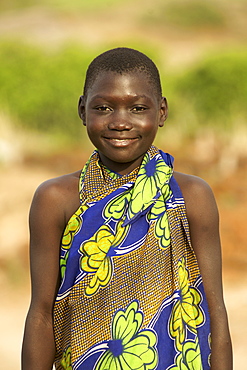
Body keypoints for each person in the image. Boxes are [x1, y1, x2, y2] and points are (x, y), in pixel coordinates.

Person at [22, 47, 232, 370]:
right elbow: (41, 313)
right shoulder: (55, 200)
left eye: (137, 108)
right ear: (82, 110)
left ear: (161, 112)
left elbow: (215, 311)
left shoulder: (192, 196)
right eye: (103, 107)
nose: (120, 123)